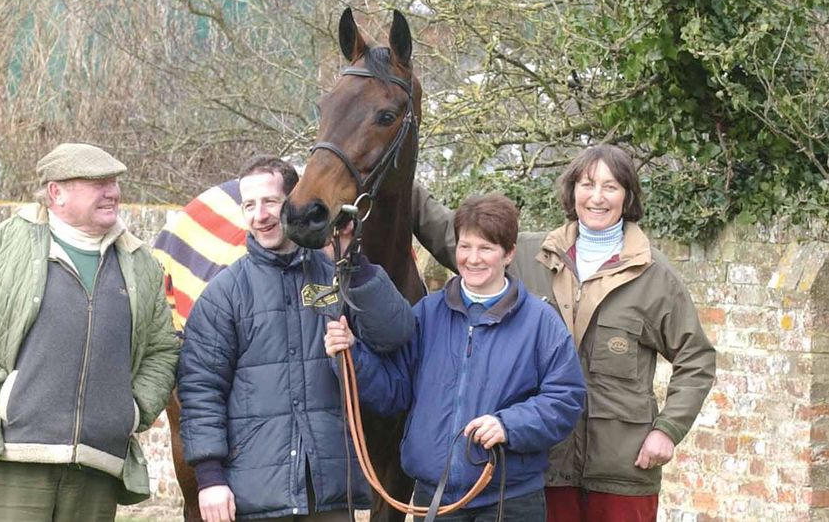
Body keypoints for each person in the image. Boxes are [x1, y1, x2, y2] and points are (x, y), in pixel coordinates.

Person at [412, 145, 716, 521]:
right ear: (572, 191)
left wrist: (668, 430)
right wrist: (389, 164)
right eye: (587, 184)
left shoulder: (653, 274)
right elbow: (452, 235)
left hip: (621, 465)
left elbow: (696, 357)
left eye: (611, 186)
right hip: (546, 465)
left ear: (628, 196)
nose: (597, 197)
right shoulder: (528, 255)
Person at [0, 143, 181, 521]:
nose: (112, 192)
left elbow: (163, 350)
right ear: (56, 192)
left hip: (97, 466)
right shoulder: (4, 245)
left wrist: (131, 411)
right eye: (97, 183)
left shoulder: (139, 261)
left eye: (114, 182)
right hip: (11, 458)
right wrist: (4, 395)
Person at [177, 155, 415, 522]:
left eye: (270, 202)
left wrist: (354, 260)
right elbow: (200, 390)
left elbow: (396, 334)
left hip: (330, 492)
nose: (260, 215)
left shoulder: (337, 275)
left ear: (293, 201)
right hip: (255, 495)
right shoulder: (223, 295)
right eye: (249, 205)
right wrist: (209, 478)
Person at [324, 193, 586, 522]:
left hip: (510, 499)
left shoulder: (541, 322)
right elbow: (394, 392)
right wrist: (352, 354)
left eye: (485, 248)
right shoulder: (427, 314)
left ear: (509, 254)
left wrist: (509, 425)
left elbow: (566, 400)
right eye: (465, 246)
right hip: (434, 498)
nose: (472, 259)